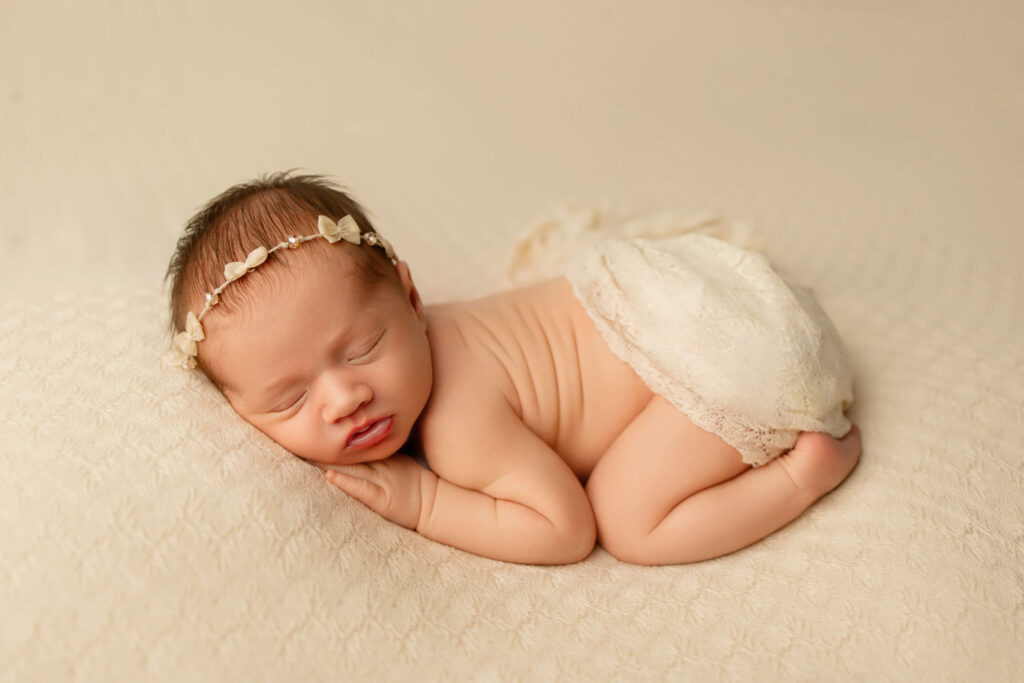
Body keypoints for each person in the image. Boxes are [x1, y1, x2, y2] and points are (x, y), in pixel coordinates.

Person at [166, 171, 861, 566]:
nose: (344, 396)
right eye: (289, 398)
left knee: (626, 520)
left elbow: (561, 528)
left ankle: (804, 472)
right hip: (694, 294)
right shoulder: (434, 332)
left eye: (361, 350)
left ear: (412, 298)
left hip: (718, 361)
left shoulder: (456, 421)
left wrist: (425, 502)